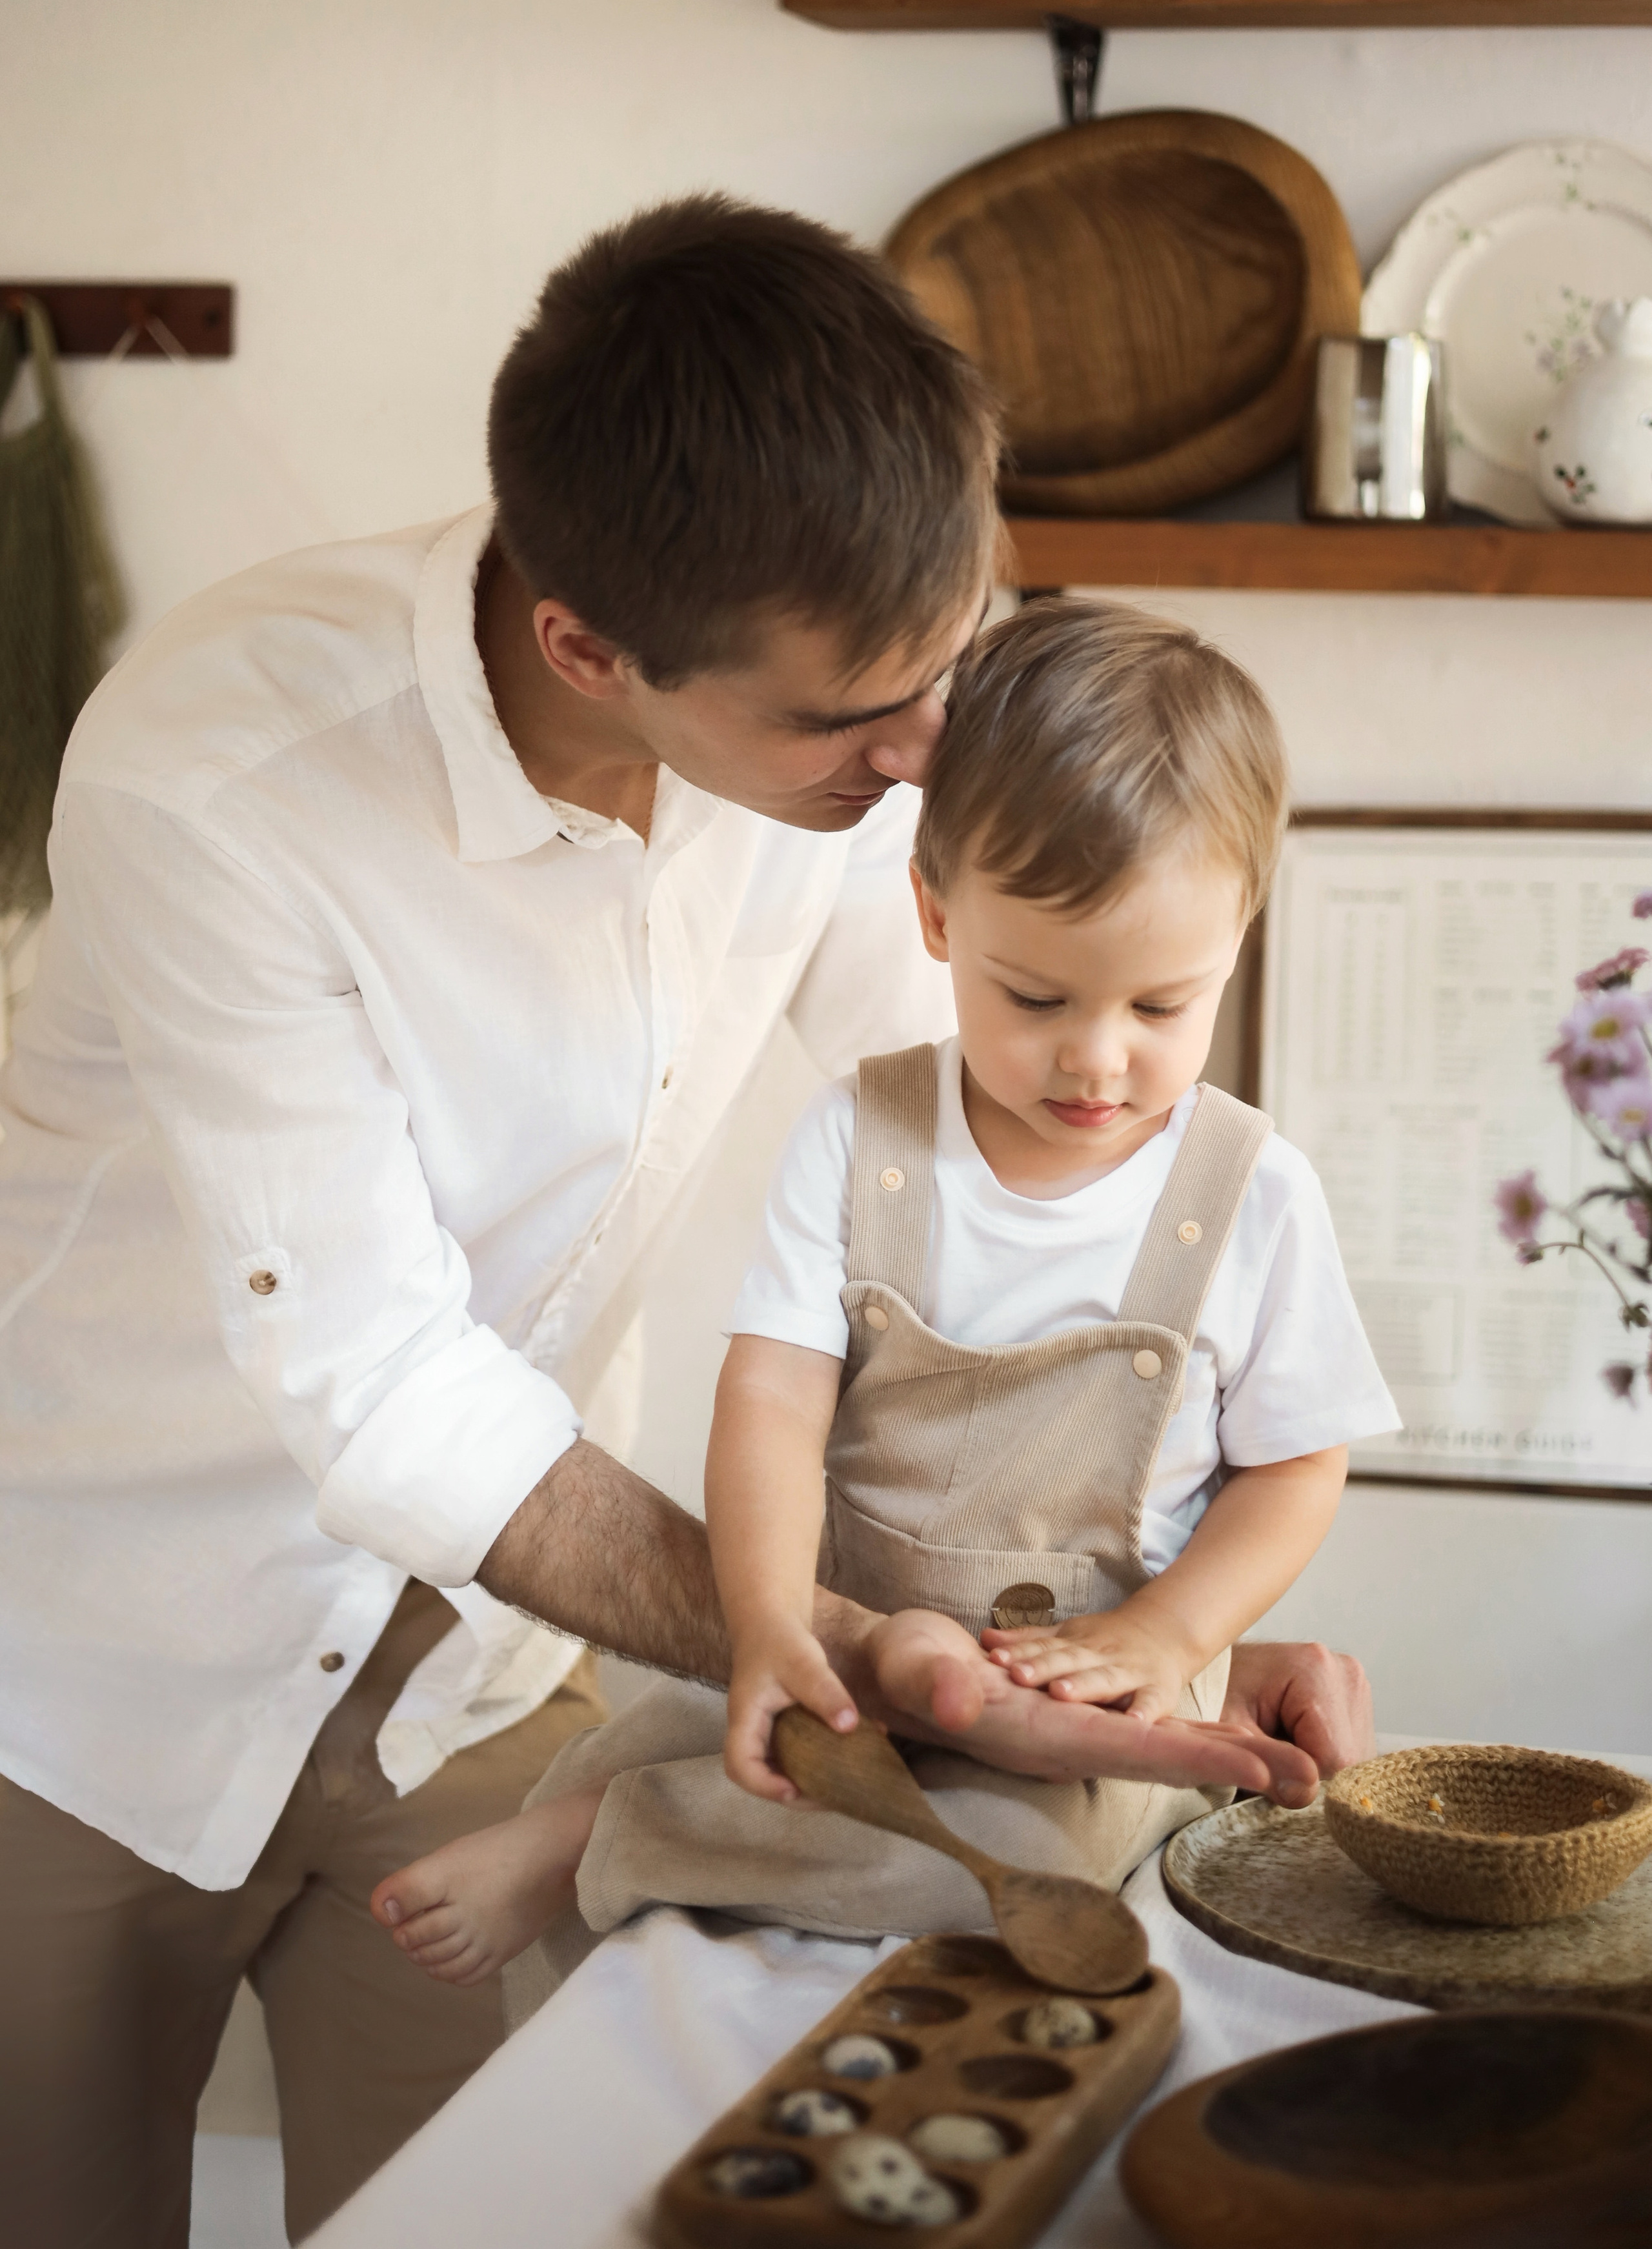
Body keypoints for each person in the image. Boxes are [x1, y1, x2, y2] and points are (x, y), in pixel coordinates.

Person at [0, 197, 1365, 2248]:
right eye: (849, 726)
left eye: (951, 669)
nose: (924, 767)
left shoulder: (856, 733)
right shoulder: (224, 776)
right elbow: (381, 1391)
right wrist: (844, 1650)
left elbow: (1007, 1189)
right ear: (586, 648)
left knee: (495, 2217)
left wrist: (1158, 1617)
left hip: (485, 1672)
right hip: (98, 1677)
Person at [370, 599, 1399, 1993]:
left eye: (1160, 1006)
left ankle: (606, 1836)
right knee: (658, 1723)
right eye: (1032, 995)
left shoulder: (1251, 1190)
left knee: (958, 1864)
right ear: (931, 911)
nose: (1094, 1060)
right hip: (867, 1650)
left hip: (1084, 1692)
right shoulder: (864, 1135)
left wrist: (1168, 1633)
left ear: (1236, 935)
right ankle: (595, 1806)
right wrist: (770, 1617)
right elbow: (772, 1399)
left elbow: (1295, 1463)